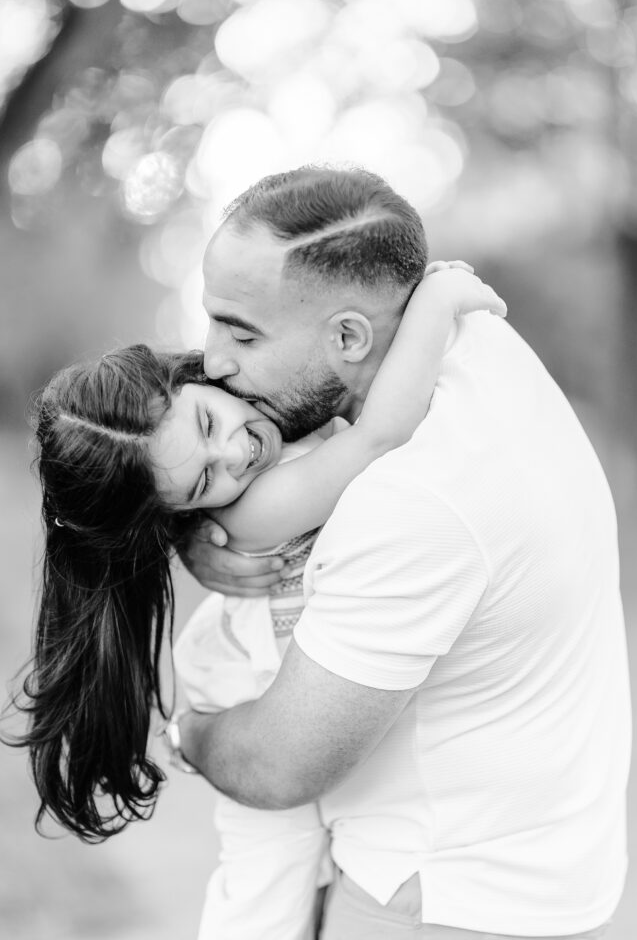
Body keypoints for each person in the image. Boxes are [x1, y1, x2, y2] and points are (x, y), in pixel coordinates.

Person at [176, 166, 632, 940]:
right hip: (541, 868)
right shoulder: (476, 344)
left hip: (436, 899)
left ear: (350, 336)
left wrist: (188, 733)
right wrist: (199, 532)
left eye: (241, 332)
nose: (213, 359)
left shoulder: (415, 499)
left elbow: (276, 768)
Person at [13, 261, 502, 938]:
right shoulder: (263, 503)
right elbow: (382, 433)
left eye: (211, 424)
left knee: (281, 875)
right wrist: (439, 299)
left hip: (266, 664)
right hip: (248, 680)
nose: (236, 457)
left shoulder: (261, 423)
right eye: (205, 481)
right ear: (180, 513)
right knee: (263, 892)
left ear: (193, 381)